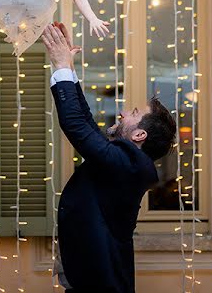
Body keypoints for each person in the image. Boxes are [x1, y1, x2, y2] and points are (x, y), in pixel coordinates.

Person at [40, 23, 177, 293]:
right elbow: (87, 124)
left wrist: (60, 65)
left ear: (139, 135)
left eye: (134, 113)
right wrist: (68, 67)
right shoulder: (123, 160)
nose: (124, 113)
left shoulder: (129, 166)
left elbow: (77, 128)